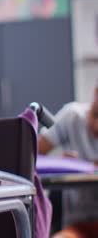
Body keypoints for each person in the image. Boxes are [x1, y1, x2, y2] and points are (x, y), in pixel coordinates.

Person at [38, 81, 98, 238]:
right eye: (96, 116)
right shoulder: (73, 116)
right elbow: (33, 154)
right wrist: (58, 163)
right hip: (77, 224)